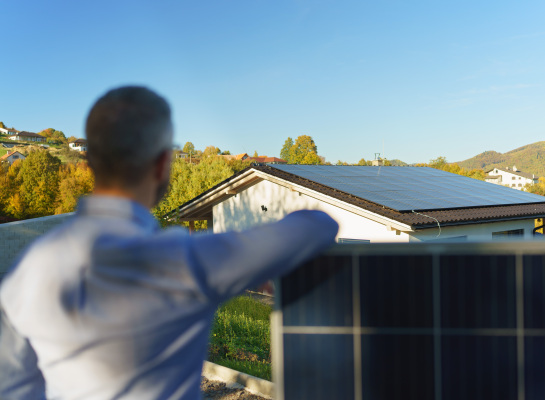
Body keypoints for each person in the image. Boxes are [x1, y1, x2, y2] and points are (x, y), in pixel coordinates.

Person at [0, 86, 339, 399]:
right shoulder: (186, 261)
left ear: (89, 162)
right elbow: (318, 226)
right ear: (163, 163)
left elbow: (13, 387)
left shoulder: (29, 269)